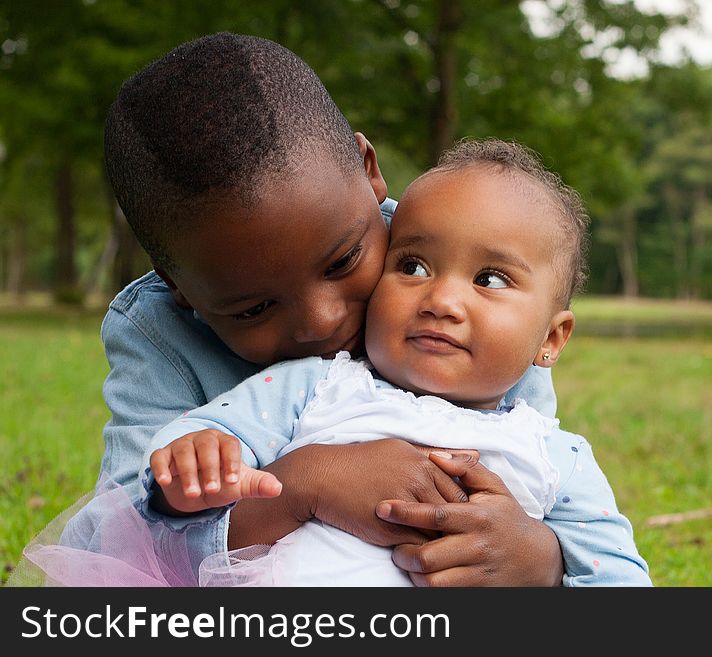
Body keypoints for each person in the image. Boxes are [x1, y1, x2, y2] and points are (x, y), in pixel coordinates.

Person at [15, 32, 565, 587]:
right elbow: (121, 539)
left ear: (369, 171)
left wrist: (540, 556)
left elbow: (545, 475)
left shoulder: (456, 283)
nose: (320, 321)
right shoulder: (161, 330)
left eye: (343, 261)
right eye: (253, 309)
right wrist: (306, 483)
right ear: (181, 288)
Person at [139, 138, 651, 586]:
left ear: (552, 339)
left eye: (490, 279)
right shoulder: (313, 385)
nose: (442, 300)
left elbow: (620, 579)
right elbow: (183, 461)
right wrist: (193, 460)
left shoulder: (556, 454)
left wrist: (538, 564)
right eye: (413, 266)